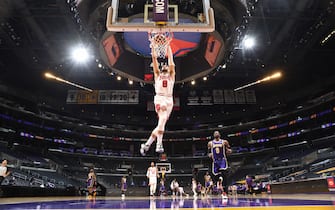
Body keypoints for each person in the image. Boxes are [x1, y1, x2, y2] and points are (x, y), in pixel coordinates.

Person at [140, 42, 175, 155]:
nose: (165, 66)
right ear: (161, 68)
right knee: (163, 118)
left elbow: (171, 60)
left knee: (162, 123)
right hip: (160, 98)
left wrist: (169, 47)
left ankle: (147, 144)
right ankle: (159, 144)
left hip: (169, 100)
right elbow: (154, 59)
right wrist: (154, 48)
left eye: (166, 65)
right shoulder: (157, 75)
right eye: (163, 65)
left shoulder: (171, 75)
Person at [208, 131, 232, 197]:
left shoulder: (224, 142)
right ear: (213, 135)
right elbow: (208, 152)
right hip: (215, 161)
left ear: (220, 134)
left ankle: (225, 191)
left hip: (222, 160)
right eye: (215, 133)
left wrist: (229, 151)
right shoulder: (210, 143)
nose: (216, 133)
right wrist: (209, 154)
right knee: (216, 176)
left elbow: (229, 149)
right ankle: (219, 184)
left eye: (217, 133)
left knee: (224, 174)